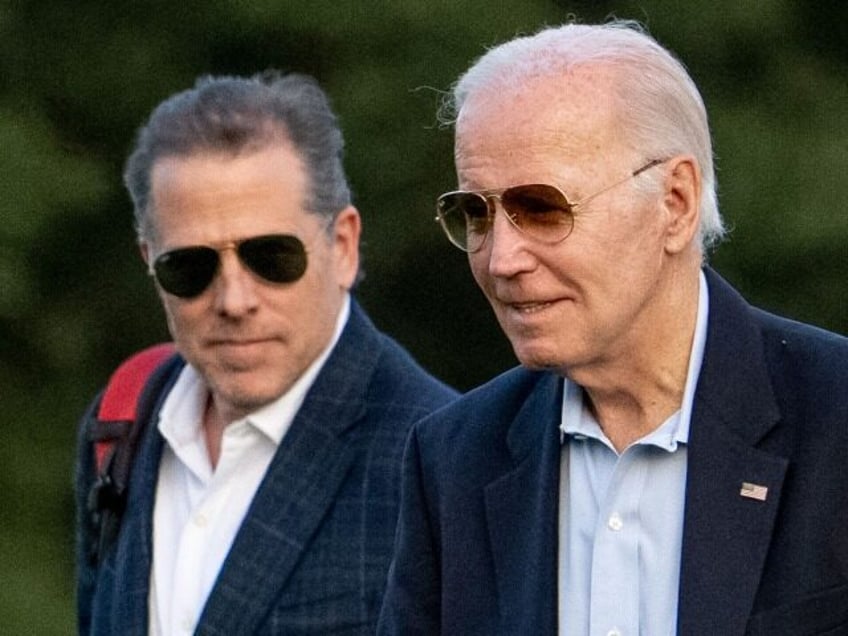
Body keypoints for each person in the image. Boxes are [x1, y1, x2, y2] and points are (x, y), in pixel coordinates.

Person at [378, 20, 848, 636]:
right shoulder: (456, 458)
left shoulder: (834, 416)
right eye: (475, 212)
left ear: (674, 203)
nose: (501, 259)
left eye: (541, 208)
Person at [74, 71, 457, 635]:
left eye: (271, 257)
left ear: (343, 246)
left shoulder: (441, 459)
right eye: (191, 267)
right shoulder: (119, 427)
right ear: (150, 264)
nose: (234, 299)